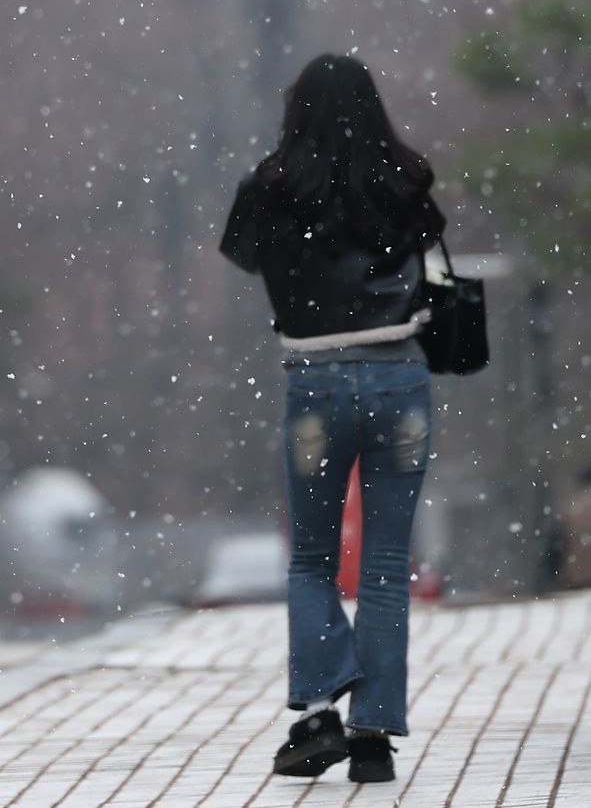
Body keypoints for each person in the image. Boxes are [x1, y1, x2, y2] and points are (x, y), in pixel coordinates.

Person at [221, 54, 445, 786]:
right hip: (399, 375)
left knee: (311, 559)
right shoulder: (406, 180)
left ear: (296, 112)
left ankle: (317, 711)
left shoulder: (271, 187)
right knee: (384, 566)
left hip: (315, 379)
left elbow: (245, 256)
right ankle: (373, 736)